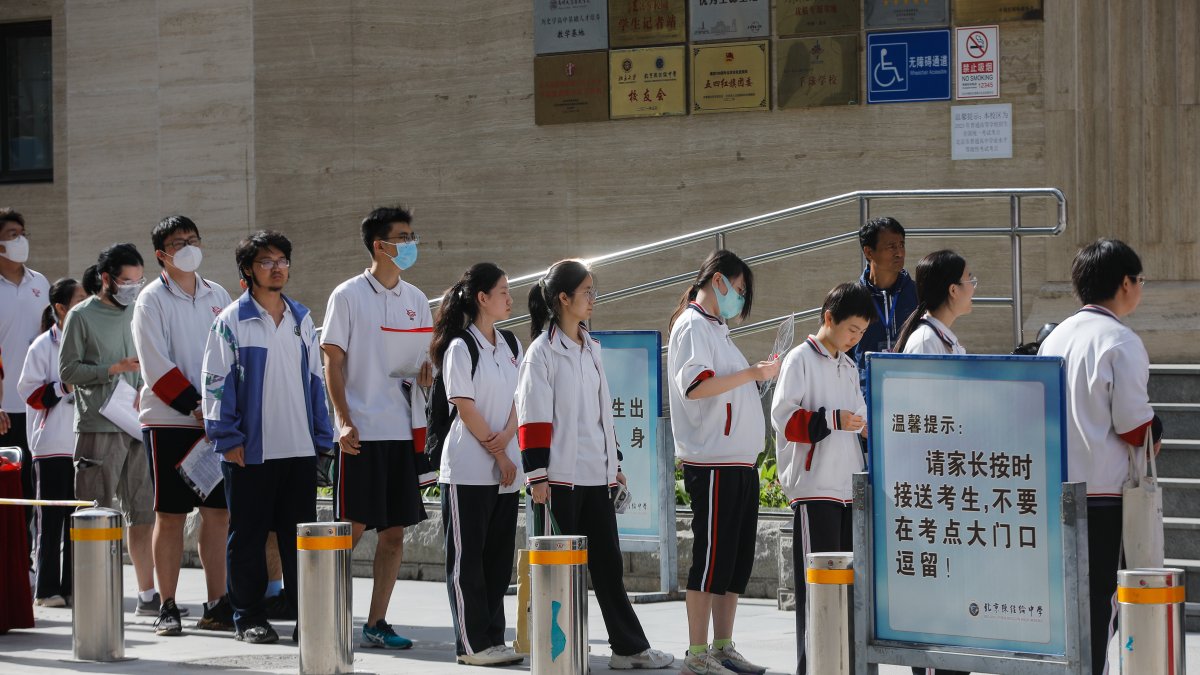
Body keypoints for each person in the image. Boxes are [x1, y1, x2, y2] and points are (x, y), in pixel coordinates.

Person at [516, 259, 674, 671]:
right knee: (558, 571)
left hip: (595, 479)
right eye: (586, 292)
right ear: (563, 299)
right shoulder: (541, 354)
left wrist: (614, 464)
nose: (593, 299)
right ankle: (558, 650)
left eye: (593, 291)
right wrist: (537, 477)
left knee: (608, 566)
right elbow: (532, 419)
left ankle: (627, 648)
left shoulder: (591, 347)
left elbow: (602, 413)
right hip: (557, 481)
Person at [202, 230, 333, 644]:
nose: (277, 268)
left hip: (297, 448)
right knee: (248, 537)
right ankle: (248, 617)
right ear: (247, 271)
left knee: (299, 540)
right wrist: (227, 437)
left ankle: (306, 619)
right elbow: (215, 383)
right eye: (266, 262)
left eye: (282, 261)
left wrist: (321, 438)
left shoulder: (301, 319)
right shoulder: (230, 322)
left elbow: (317, 381)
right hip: (250, 451)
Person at [1038, 239, 1161, 675]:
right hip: (1103, 495)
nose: (1139, 288)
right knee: (1099, 607)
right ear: (1125, 283)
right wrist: (1155, 430)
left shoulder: (1054, 339)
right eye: (1139, 280)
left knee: (1066, 608)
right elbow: (1133, 427)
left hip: (1053, 490)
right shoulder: (1119, 340)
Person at [321, 206, 434, 650]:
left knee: (393, 532)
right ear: (379, 245)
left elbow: (416, 364)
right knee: (350, 527)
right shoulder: (347, 296)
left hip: (401, 431)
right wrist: (344, 421)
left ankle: (377, 621)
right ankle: (323, 613)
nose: (410, 244)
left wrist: (425, 374)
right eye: (402, 237)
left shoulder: (416, 299)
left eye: (412, 235)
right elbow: (333, 362)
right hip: (361, 432)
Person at [667, 250, 778, 675]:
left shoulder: (716, 327)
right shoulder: (693, 325)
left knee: (735, 560)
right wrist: (753, 374)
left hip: (737, 463)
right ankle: (697, 653)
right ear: (718, 281)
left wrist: (753, 376)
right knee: (711, 558)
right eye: (739, 288)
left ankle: (723, 645)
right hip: (712, 463)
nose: (739, 297)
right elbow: (697, 386)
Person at [132, 216, 234, 636]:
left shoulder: (219, 294)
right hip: (169, 420)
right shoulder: (150, 300)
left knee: (218, 514)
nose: (189, 247)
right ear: (162, 254)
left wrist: (221, 408)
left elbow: (230, 353)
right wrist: (196, 405)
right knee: (170, 515)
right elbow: (155, 364)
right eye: (179, 242)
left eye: (193, 239)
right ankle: (168, 605)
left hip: (213, 424)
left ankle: (217, 603)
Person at [770, 282, 873, 675]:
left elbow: (857, 414)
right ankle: (810, 667)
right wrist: (833, 420)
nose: (855, 339)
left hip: (846, 490)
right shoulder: (800, 360)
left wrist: (861, 426)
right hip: (814, 491)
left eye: (861, 333)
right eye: (851, 330)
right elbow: (784, 419)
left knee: (843, 591)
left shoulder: (848, 366)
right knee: (817, 592)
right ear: (828, 318)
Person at [431, 263, 525, 667]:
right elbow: (464, 406)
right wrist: (499, 451)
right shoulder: (460, 347)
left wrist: (508, 439)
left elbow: (521, 398)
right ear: (482, 298)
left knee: (497, 559)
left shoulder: (511, 344)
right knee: (467, 560)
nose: (509, 297)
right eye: (502, 291)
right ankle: (472, 645)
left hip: (506, 469)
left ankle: (493, 639)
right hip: (470, 467)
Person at [59, 243, 158, 615]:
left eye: (139, 280)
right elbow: (67, 372)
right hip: (99, 424)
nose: (134, 287)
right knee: (96, 512)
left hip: (139, 423)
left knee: (143, 513)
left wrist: (144, 385)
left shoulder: (141, 311)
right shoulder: (81, 316)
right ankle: (95, 597)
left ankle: (147, 594)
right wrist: (111, 369)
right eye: (126, 280)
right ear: (106, 279)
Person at [893, 252, 972, 675]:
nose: (974, 286)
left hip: (946, 484)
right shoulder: (925, 340)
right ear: (952, 290)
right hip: (930, 488)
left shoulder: (944, 338)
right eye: (968, 279)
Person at [17, 277, 86, 607]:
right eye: (80, 299)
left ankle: (73, 586)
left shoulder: (89, 342)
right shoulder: (42, 346)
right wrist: (64, 388)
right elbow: (29, 394)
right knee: (50, 520)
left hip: (84, 444)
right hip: (50, 446)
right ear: (61, 307)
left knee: (79, 519)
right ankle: (46, 590)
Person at [0, 208, 50, 556]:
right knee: (8, 491)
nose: (21, 240)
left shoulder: (40, 283)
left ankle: (30, 563)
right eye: (13, 234)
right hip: (3, 408)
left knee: (34, 488)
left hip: (36, 405)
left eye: (23, 232)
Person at [852, 217, 917, 394]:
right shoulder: (852, 298)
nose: (899, 253)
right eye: (891, 247)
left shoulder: (918, 294)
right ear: (869, 252)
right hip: (867, 397)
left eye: (902, 245)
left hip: (912, 391)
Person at [895, 250, 975, 356]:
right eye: (969, 280)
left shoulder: (934, 338)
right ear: (953, 290)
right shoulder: (926, 342)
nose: (973, 288)